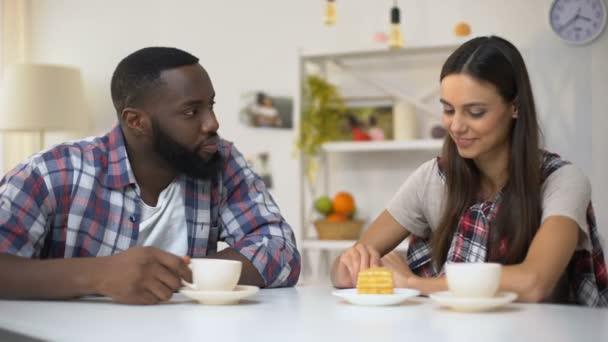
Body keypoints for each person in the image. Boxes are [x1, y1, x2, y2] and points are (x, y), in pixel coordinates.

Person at [0, 47, 301, 304]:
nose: (212, 123)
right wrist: (98, 275)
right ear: (136, 121)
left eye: (210, 105)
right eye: (190, 112)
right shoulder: (51, 172)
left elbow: (280, 249)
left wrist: (185, 272)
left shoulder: (221, 160)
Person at [330, 36, 607, 306]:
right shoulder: (432, 178)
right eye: (449, 110)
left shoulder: (562, 182)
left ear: (515, 107)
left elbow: (534, 282)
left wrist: (416, 284)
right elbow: (346, 264)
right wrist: (347, 267)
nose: (457, 126)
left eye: (475, 112)